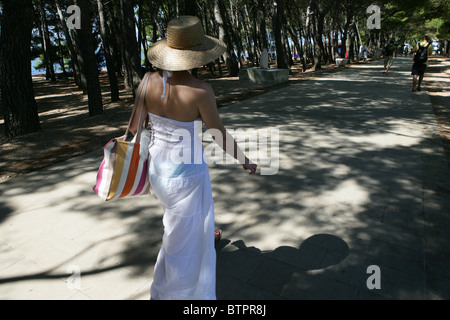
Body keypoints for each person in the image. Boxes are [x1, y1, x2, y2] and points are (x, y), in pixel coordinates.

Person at [129, 16, 257, 300]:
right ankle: (175, 293)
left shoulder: (148, 81)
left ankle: (204, 236)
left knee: (177, 222)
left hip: (157, 170)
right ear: (197, 54)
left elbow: (134, 128)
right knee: (179, 243)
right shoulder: (201, 91)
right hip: (186, 174)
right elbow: (219, 135)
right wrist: (244, 159)